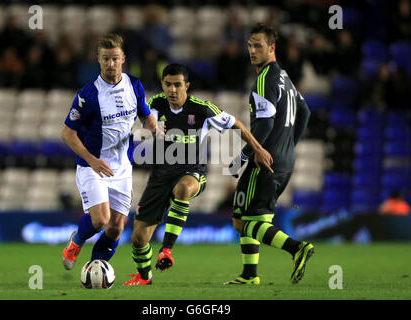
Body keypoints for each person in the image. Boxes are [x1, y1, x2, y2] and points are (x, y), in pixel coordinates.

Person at [124, 63, 273, 285]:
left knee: (183, 188)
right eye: (168, 84)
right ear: (162, 85)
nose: (172, 90)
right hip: (160, 176)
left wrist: (258, 149)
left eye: (177, 84)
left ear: (187, 86)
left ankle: (167, 249)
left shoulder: (202, 109)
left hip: (192, 172)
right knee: (138, 239)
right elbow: (137, 121)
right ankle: (145, 276)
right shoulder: (155, 104)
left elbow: (236, 124)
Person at [224, 23, 313, 285]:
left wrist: (243, 156)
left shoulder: (264, 81)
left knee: (241, 221)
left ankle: (297, 248)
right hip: (285, 160)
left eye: (258, 46)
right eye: (250, 45)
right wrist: (289, 146)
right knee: (257, 218)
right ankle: (250, 275)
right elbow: (305, 113)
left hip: (264, 160)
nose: (252, 50)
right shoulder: (284, 77)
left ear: (271, 48)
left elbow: (264, 125)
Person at [61, 33, 157, 271]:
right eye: (105, 59)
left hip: (122, 167)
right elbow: (67, 133)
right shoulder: (88, 95)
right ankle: (76, 240)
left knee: (116, 228)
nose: (110, 64)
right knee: (100, 220)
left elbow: (145, 115)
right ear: (98, 60)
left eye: (115, 58)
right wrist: (92, 160)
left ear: (123, 58)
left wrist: (153, 126)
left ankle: (97, 269)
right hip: (93, 166)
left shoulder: (134, 85)